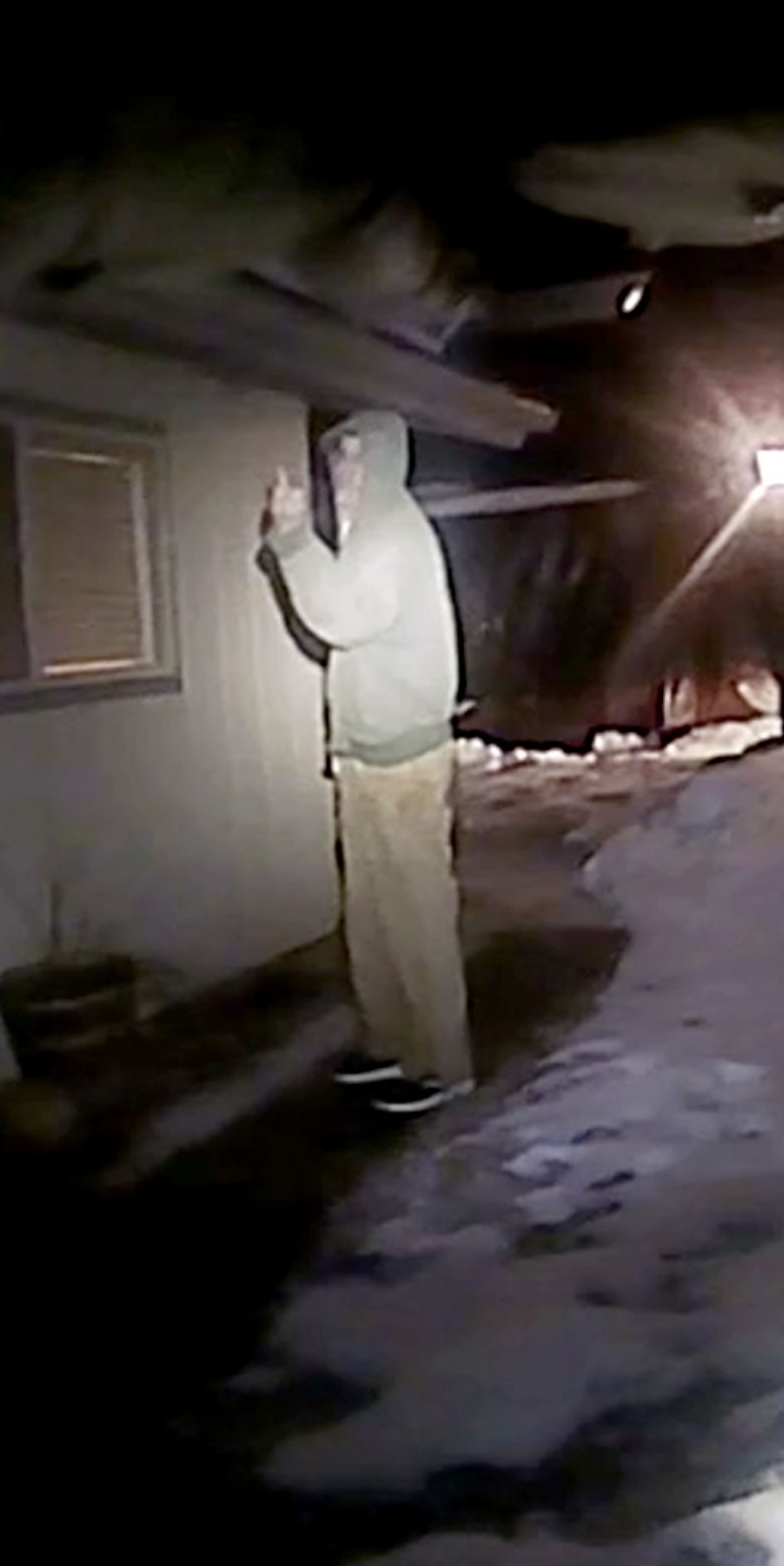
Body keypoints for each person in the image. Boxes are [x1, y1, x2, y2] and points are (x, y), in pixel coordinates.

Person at [259, 410, 473, 1115]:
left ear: (382, 463)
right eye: (337, 461)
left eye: (354, 460)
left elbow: (343, 619)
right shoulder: (364, 536)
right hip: (366, 754)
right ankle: (390, 1044)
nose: (343, 476)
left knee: (416, 915)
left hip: (405, 759)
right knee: (373, 914)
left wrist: (293, 543)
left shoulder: (391, 535)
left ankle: (443, 1063)